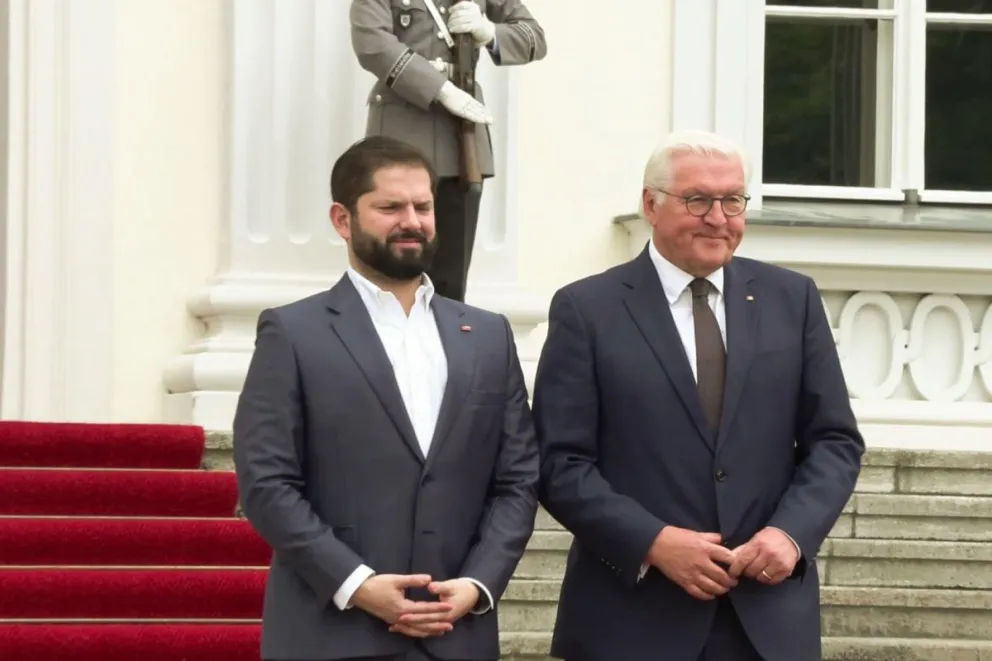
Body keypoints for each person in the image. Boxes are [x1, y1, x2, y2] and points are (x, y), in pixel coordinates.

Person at [532, 130, 865, 661]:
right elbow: (560, 462)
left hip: (767, 617)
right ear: (650, 204)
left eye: (733, 200)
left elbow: (834, 441)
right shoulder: (586, 310)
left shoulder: (792, 299)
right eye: (698, 200)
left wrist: (790, 534)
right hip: (631, 620)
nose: (719, 217)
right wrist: (653, 542)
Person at [233, 135, 539, 661]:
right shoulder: (293, 332)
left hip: (457, 634)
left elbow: (518, 479)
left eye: (423, 206)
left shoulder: (488, 334)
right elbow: (267, 483)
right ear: (341, 218)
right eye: (390, 207)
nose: (412, 221)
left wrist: (478, 584)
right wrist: (357, 584)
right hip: (331, 632)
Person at [349, 0, 547, 303]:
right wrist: (440, 89)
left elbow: (535, 39)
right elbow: (372, 43)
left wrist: (488, 30)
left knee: (450, 278)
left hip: (460, 138)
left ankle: (444, 343)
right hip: (402, 130)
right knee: (392, 267)